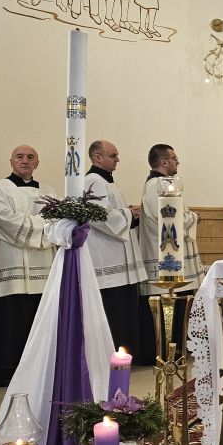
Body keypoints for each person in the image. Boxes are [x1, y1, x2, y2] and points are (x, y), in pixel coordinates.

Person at [0, 145, 56, 385]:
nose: (25, 161)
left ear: (37, 163)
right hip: (9, 262)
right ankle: (5, 369)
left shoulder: (49, 191)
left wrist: (33, 225)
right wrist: (40, 227)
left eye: (30, 157)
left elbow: (55, 221)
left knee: (36, 315)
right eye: (20, 157)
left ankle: (38, 369)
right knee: (9, 317)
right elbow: (5, 219)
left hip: (42, 264)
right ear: (11, 161)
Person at [137, 144, 201, 364]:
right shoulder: (157, 185)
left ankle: (175, 349)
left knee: (178, 302)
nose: (177, 162)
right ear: (164, 161)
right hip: (163, 259)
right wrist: (194, 217)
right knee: (168, 303)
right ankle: (165, 352)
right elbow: (171, 219)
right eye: (174, 158)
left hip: (169, 256)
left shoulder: (162, 184)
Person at [84, 140, 142, 356]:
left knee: (122, 310)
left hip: (118, 258)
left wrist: (126, 212)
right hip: (107, 259)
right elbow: (100, 216)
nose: (117, 159)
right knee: (112, 310)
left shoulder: (107, 182)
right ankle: (110, 355)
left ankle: (123, 354)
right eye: (113, 155)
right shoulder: (92, 181)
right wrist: (129, 214)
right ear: (97, 158)